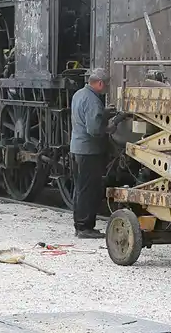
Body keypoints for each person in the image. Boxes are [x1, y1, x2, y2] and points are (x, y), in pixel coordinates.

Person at [70, 68, 112, 238]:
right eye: (106, 85)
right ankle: (85, 228)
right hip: (89, 151)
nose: (106, 88)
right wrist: (109, 127)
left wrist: (104, 114)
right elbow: (94, 129)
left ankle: (79, 224)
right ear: (100, 83)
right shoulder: (93, 100)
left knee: (80, 189)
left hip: (77, 148)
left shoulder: (79, 94)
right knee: (89, 190)